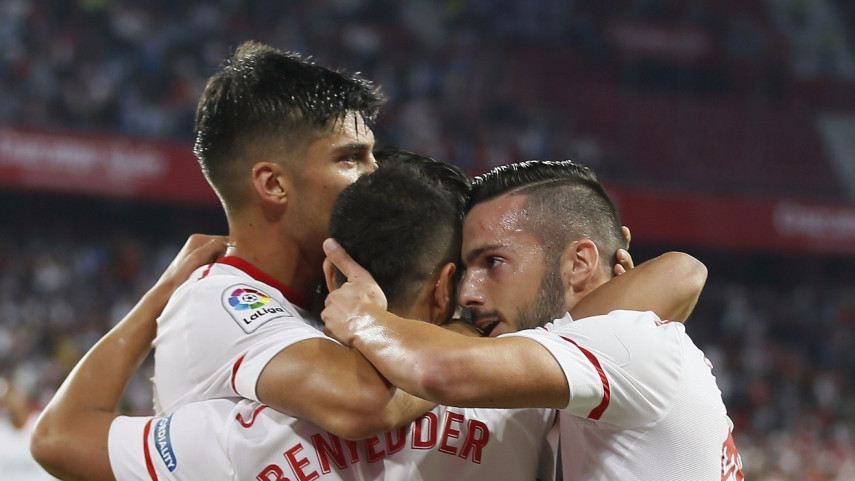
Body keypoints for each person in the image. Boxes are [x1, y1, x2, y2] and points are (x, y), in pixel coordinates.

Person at [31, 153, 699, 481]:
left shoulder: (240, 436)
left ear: (333, 278)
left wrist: (163, 294)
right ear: (450, 284)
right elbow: (668, 283)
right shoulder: (521, 399)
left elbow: (59, 438)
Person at [321, 160, 744, 480]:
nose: (467, 294)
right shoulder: (605, 359)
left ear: (579, 263)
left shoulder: (625, 340)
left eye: (493, 262)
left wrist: (362, 317)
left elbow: (438, 369)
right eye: (467, 270)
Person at [148, 41, 437, 440]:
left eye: (373, 156)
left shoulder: (317, 299)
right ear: (273, 184)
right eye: (351, 158)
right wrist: (470, 337)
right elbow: (364, 403)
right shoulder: (216, 301)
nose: (378, 175)